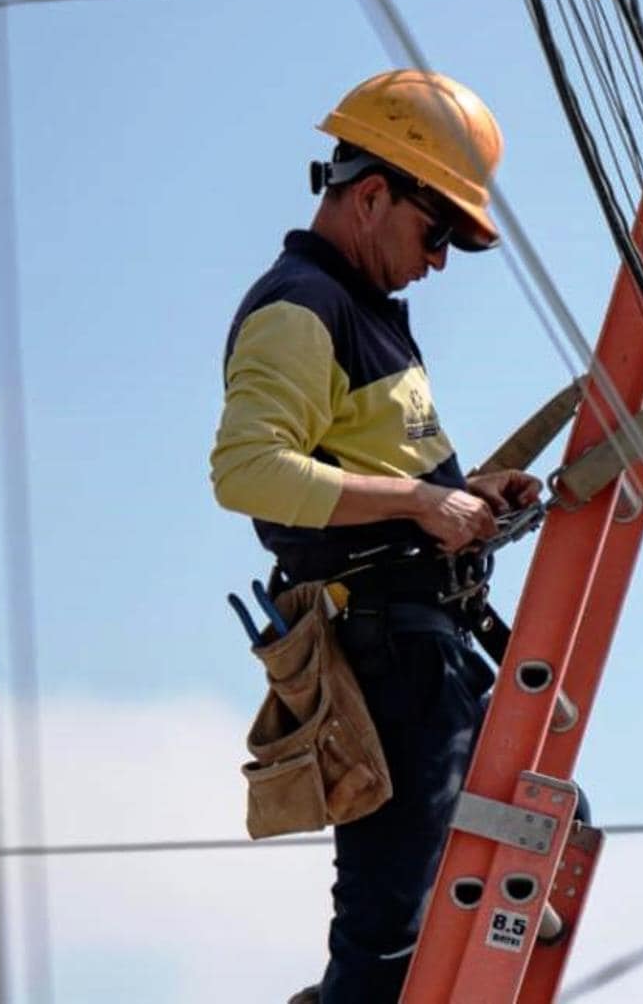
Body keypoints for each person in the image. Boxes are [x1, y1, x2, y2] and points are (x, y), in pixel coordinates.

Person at [211, 69, 540, 1002]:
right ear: (370, 197)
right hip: (388, 655)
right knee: (392, 937)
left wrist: (462, 496)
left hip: (422, 647)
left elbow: (366, 466)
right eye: (435, 234)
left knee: (532, 833)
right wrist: (422, 505)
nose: (439, 262)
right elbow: (247, 471)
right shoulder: (300, 308)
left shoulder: (364, 316)